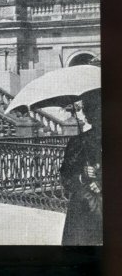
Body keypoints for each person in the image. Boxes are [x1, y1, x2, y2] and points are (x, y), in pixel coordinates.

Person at [61, 91, 102, 245]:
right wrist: (82, 176)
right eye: (92, 110)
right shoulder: (78, 142)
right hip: (86, 209)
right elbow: (65, 177)